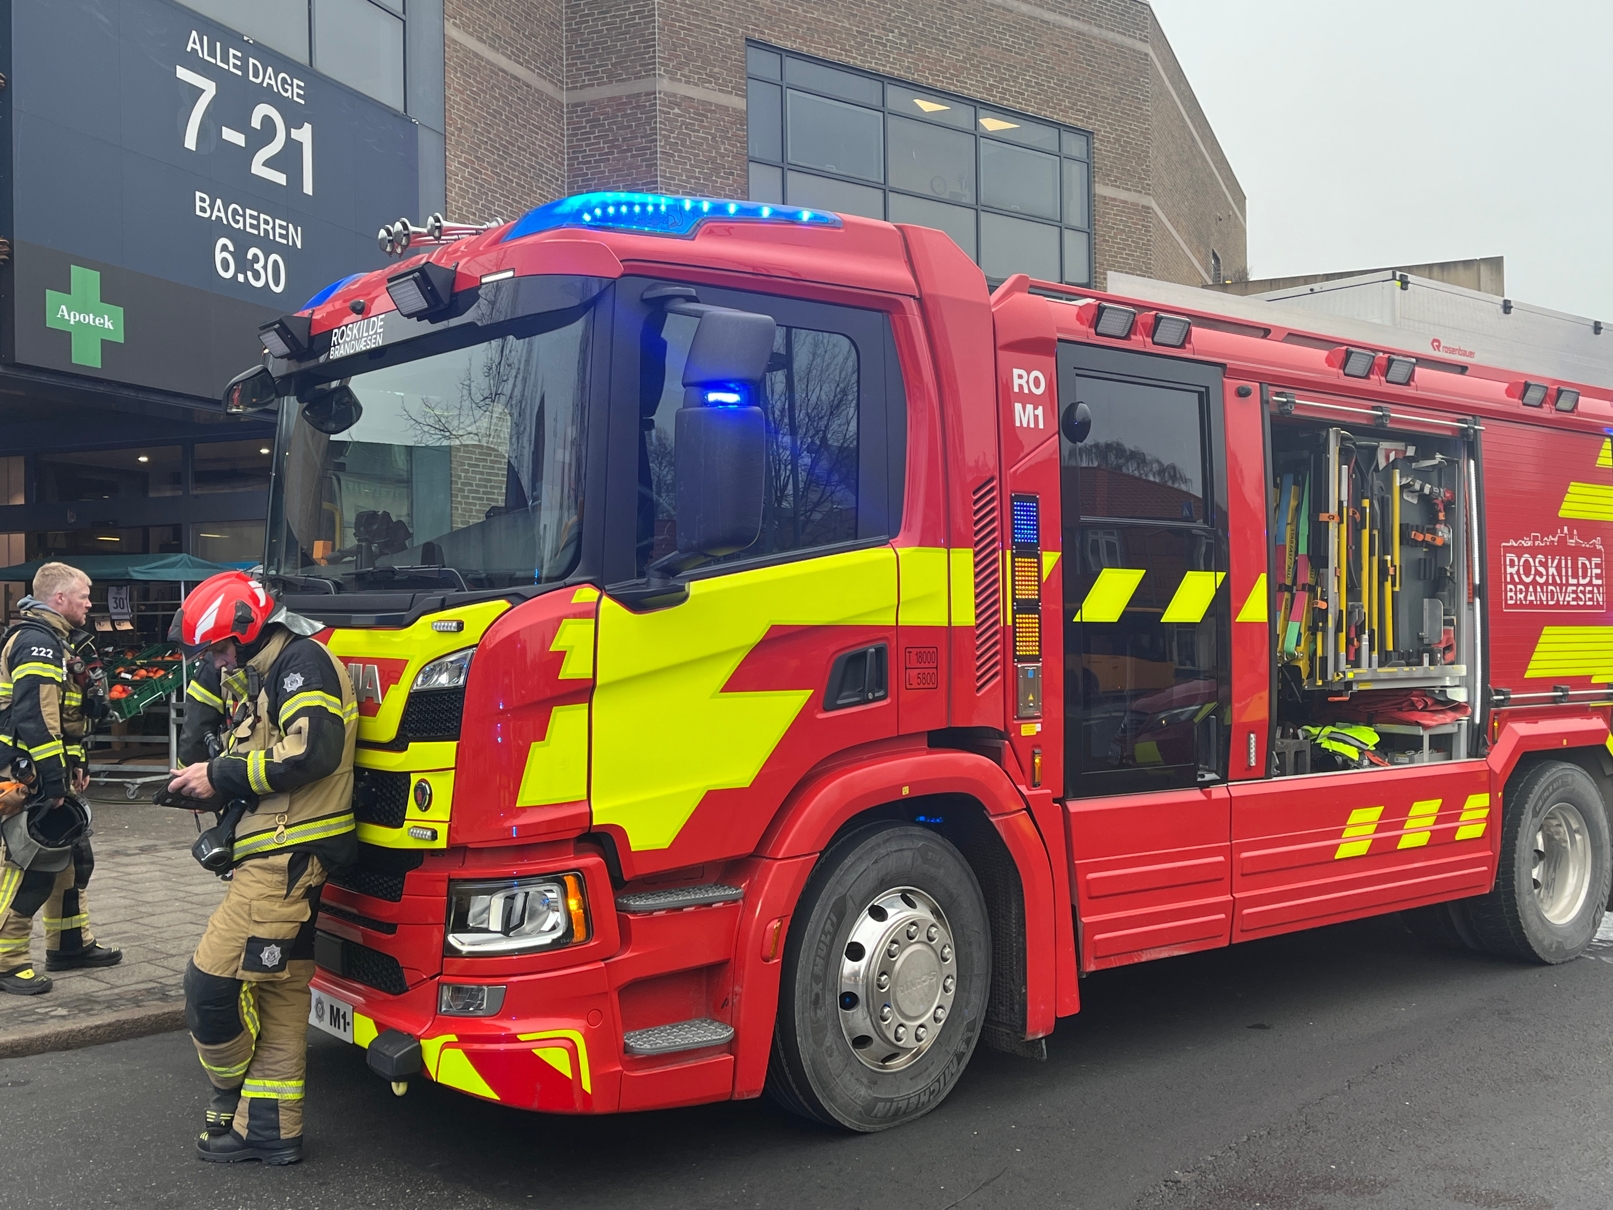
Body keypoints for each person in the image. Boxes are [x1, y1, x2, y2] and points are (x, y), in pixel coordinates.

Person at [169, 571, 356, 1166]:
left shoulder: (303, 663)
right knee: (279, 1001)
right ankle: (269, 1130)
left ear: (251, 632)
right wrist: (207, 783)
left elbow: (313, 751)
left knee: (209, 985)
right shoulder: (268, 670)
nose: (219, 664)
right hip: (282, 853)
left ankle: (228, 1091)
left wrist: (219, 775)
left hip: (285, 860)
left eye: (222, 649)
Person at [0, 562, 121, 996]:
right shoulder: (37, 643)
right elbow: (34, 719)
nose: (90, 603)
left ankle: (69, 945)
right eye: (84, 596)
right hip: (25, 775)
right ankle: (6, 961)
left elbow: (65, 716)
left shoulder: (57, 641)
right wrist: (51, 782)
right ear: (59, 599)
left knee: (73, 861)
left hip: (49, 772)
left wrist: (78, 763)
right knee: (28, 865)